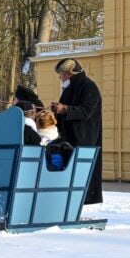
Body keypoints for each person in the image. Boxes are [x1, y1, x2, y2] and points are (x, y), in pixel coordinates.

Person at [50, 57, 102, 204]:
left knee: (79, 176)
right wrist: (57, 111)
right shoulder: (69, 88)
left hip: (83, 138)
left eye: (61, 74)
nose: (60, 77)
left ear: (70, 73)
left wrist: (64, 109)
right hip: (68, 138)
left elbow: (86, 111)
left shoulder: (89, 86)